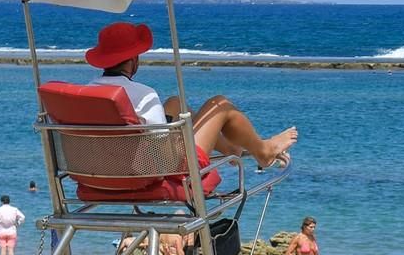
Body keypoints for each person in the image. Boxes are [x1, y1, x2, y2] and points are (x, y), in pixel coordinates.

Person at [85, 22, 296, 168]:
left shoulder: (87, 94)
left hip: (104, 171)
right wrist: (182, 134)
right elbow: (160, 143)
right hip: (159, 169)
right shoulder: (143, 94)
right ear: (133, 60)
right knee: (219, 105)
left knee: (176, 104)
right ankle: (263, 150)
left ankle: (231, 148)